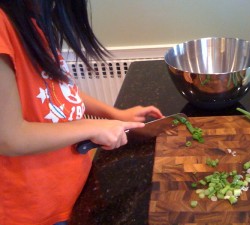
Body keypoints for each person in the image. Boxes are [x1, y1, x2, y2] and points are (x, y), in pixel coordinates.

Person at [0, 0, 163, 224]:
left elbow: (59, 91)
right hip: (35, 209)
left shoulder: (31, 20)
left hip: (72, 187)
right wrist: (92, 126)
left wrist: (113, 114)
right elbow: (9, 138)